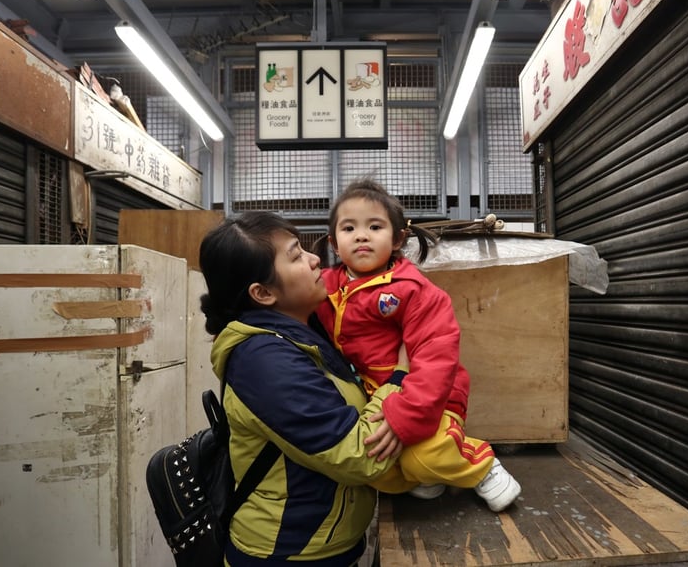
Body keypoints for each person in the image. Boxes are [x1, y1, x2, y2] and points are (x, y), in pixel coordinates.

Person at [198, 210, 408, 566]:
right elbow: (359, 455)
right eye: (296, 255)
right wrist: (400, 378)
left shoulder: (306, 333)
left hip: (328, 547)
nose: (315, 260)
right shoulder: (264, 362)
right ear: (263, 293)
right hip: (287, 555)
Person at [314, 179, 522, 512]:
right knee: (370, 463)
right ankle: (423, 477)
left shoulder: (413, 290)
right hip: (376, 399)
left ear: (398, 238)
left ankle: (480, 465)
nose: (361, 235)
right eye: (349, 227)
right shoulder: (326, 287)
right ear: (334, 244)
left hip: (430, 397)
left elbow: (435, 358)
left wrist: (404, 416)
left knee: (425, 453)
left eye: (375, 226)